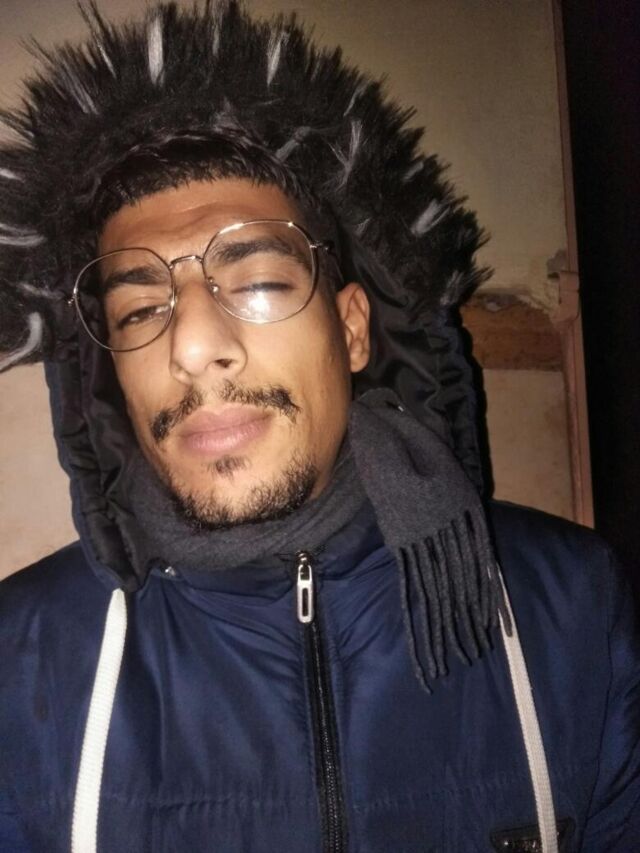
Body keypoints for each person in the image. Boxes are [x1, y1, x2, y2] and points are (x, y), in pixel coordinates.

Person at [0, 3, 638, 852]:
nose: (190, 347)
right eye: (142, 309)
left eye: (258, 282)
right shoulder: (21, 665)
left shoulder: (573, 610)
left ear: (352, 329)